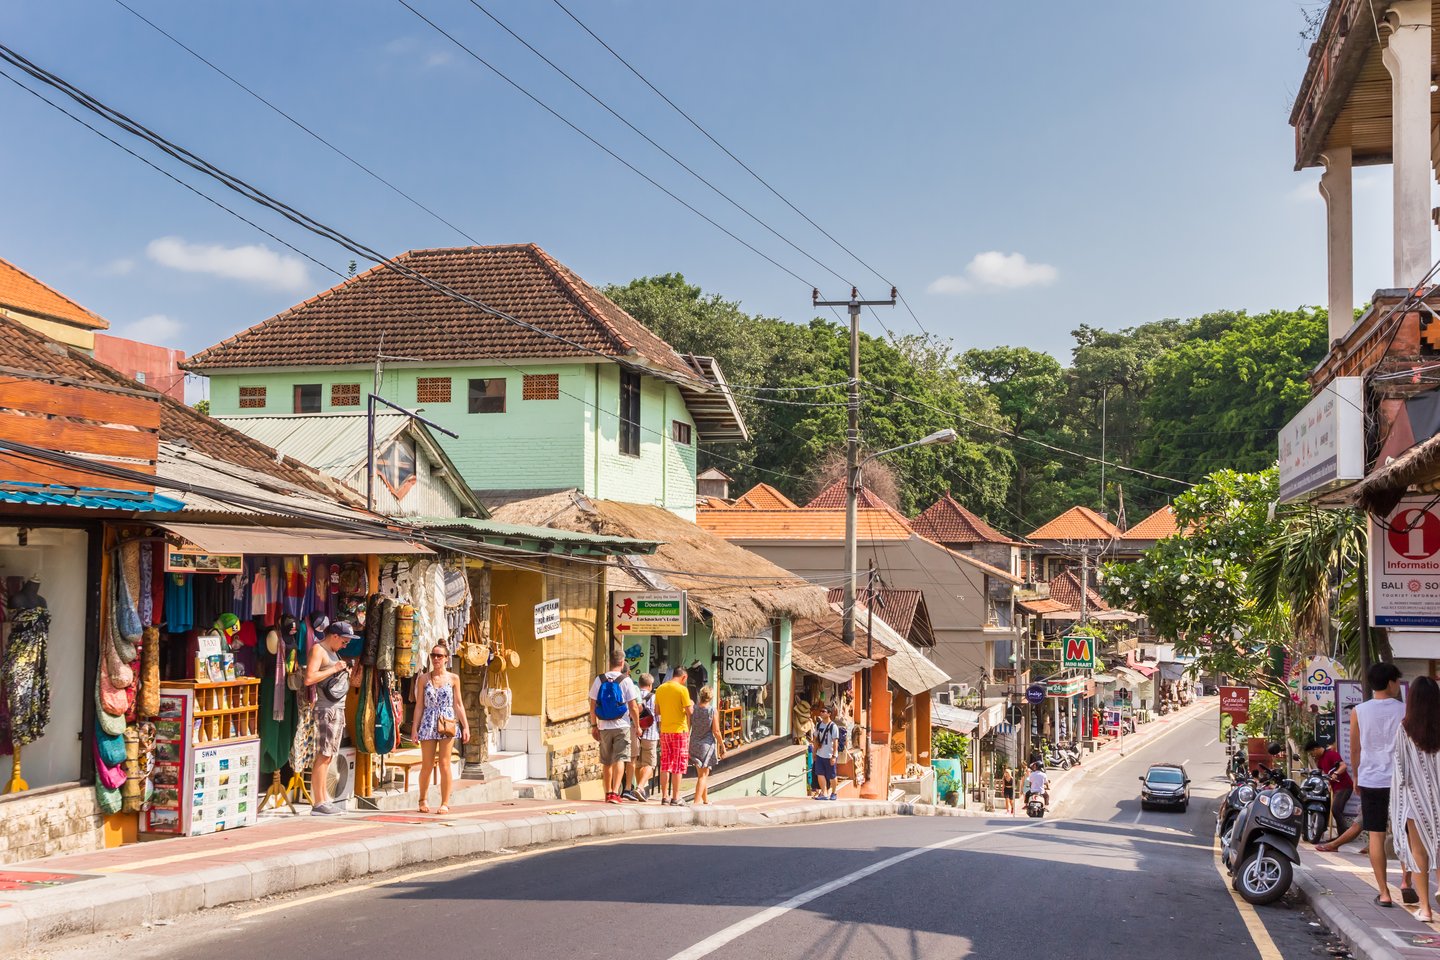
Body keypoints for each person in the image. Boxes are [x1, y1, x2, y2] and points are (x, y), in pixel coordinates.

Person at [1318, 662, 1415, 907]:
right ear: (1392, 683)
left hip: (1372, 779)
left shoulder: (1359, 711)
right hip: (1400, 780)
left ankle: (1383, 892)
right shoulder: (1405, 711)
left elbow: (1355, 748)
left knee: (1375, 834)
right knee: (1407, 833)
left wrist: (1358, 777)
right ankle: (1406, 881)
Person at [1392, 675, 1440, 922]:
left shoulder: (1405, 728)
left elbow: (1401, 768)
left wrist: (1400, 802)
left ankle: (1426, 908)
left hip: (1415, 801)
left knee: (1419, 853)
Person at [303, 622, 356, 816]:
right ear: (334, 635)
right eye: (344, 641)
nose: (345, 645)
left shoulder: (334, 652)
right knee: (324, 754)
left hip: (337, 708)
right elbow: (309, 678)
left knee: (330, 754)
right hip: (326, 709)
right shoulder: (319, 649)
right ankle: (318, 803)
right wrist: (334, 669)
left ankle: (324, 798)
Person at [411, 642, 468, 814]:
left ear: (446, 659)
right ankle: (423, 799)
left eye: (439, 656)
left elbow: (458, 704)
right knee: (427, 764)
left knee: (445, 763)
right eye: (433, 655)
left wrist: (465, 726)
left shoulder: (453, 678)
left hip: (447, 721)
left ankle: (445, 802)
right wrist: (415, 728)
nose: (436, 659)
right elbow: (419, 705)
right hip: (428, 720)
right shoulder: (423, 679)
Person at [588, 651, 641, 804]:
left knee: (606, 761)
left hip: (604, 726)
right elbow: (633, 706)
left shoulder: (599, 679)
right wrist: (637, 726)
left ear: (609, 661)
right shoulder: (626, 680)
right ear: (622, 662)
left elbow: (592, 705)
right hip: (622, 726)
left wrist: (594, 725)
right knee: (620, 758)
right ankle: (616, 793)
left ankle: (608, 792)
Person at [653, 665, 693, 805]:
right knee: (678, 764)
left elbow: (657, 711)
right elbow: (690, 712)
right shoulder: (682, 690)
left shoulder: (660, 689)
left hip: (665, 730)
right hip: (679, 731)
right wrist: (689, 705)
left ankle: (664, 797)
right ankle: (676, 797)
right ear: (684, 677)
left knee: (665, 764)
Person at [1305, 737, 1353, 842]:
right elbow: (1322, 774)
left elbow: (1343, 766)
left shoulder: (1332, 754)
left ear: (1316, 749)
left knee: (1336, 809)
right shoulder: (1320, 761)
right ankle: (1337, 834)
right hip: (1334, 788)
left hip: (1344, 786)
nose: (1312, 755)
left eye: (1312, 753)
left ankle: (1343, 836)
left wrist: (1336, 773)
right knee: (1332, 809)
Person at [623, 673, 660, 802]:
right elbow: (658, 717)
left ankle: (640, 791)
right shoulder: (655, 698)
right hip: (650, 734)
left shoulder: (633, 695)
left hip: (636, 733)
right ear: (650, 685)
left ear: (639, 684)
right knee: (650, 763)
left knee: (637, 764)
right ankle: (640, 788)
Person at [690, 686, 725, 804]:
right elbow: (716, 731)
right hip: (706, 744)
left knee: (702, 773)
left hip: (694, 742)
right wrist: (722, 746)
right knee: (703, 775)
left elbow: (689, 726)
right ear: (710, 697)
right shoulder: (712, 710)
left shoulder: (693, 709)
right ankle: (696, 803)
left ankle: (705, 800)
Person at [810, 704, 840, 800]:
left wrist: (834, 756)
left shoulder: (833, 726)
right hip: (820, 754)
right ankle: (824, 792)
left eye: (823, 711)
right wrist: (814, 752)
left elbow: (835, 742)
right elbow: (815, 739)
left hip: (829, 755)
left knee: (832, 775)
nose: (821, 713)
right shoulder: (818, 725)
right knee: (820, 773)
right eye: (821, 711)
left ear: (829, 714)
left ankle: (834, 792)